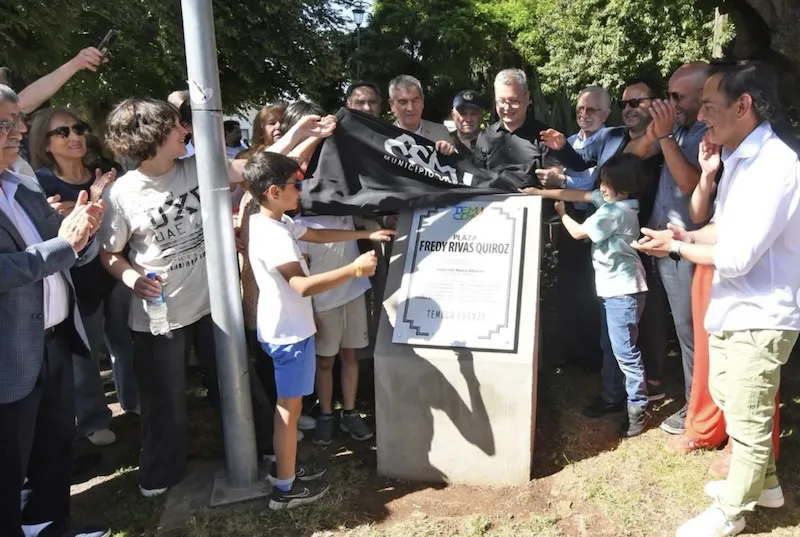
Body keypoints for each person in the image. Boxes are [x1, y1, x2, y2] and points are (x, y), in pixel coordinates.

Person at [634, 60, 800, 537]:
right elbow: (723, 227)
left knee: (748, 417)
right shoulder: (740, 158)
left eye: (708, 105)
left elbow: (739, 255)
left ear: (743, 105)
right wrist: (685, 235)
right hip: (734, 307)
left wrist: (677, 249)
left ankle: (731, 510)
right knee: (731, 395)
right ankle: (766, 486)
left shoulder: (775, 165)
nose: (701, 115)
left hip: (762, 311)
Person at [98, 98, 284, 496]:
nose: (185, 131)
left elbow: (253, 168)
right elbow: (110, 253)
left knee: (238, 382)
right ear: (151, 137)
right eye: (175, 126)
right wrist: (131, 278)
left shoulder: (197, 168)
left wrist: (302, 133)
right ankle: (159, 474)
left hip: (214, 306)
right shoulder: (121, 194)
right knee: (164, 401)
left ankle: (268, 448)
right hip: (160, 315)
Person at [241, 150, 393, 509]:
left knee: (289, 408)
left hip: (284, 328)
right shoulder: (274, 235)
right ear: (274, 192)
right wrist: (354, 269)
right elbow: (302, 286)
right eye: (295, 184)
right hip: (289, 334)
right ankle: (285, 488)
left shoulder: (272, 221)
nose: (301, 190)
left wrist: (365, 233)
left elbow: (315, 234)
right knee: (288, 411)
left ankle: (284, 468)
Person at [0, 84, 110, 537]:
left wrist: (86, 231)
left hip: (56, 338)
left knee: (52, 444)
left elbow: (66, 247)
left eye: (18, 121)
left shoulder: (22, 186)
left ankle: (47, 525)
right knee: (9, 464)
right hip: (10, 353)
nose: (18, 130)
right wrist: (67, 243)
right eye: (5, 123)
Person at [28, 107, 139, 446]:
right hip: (75, 281)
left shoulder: (105, 170)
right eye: (62, 132)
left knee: (126, 339)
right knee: (84, 353)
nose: (75, 136)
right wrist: (68, 213)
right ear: (45, 143)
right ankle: (92, 420)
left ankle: (135, 401)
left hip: (116, 268)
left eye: (78, 128)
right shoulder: (39, 185)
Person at [523, 153, 650, 436]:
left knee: (625, 352)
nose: (601, 187)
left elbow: (579, 233)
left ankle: (637, 408)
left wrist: (562, 213)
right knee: (611, 346)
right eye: (602, 181)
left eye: (607, 184)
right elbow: (579, 194)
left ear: (624, 189)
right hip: (616, 290)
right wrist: (540, 192)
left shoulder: (614, 213)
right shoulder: (617, 203)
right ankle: (612, 396)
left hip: (623, 292)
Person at [637, 62, 709, 435]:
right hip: (660, 244)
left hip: (688, 246)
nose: (671, 102)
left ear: (703, 95)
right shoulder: (675, 129)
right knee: (669, 327)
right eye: (667, 95)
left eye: (678, 96)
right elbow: (633, 155)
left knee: (691, 330)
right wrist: (656, 133)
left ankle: (697, 407)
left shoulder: (707, 134)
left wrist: (664, 136)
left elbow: (690, 184)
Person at [296, 210, 374, 446]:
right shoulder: (301, 223)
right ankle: (326, 413)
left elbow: (372, 213)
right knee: (324, 361)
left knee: (351, 355)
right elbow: (302, 271)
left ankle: (349, 412)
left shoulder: (346, 211)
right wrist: (309, 309)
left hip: (353, 294)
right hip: (322, 303)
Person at [388, 75, 455, 154]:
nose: (410, 108)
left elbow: (455, 160)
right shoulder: (385, 137)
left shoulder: (441, 133)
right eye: (403, 102)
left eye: (415, 101)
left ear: (422, 101)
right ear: (392, 105)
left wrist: (449, 151)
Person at [450, 90, 488, 156]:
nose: (468, 119)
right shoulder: (445, 142)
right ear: (453, 115)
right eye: (463, 114)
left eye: (473, 114)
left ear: (481, 115)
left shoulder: (494, 142)